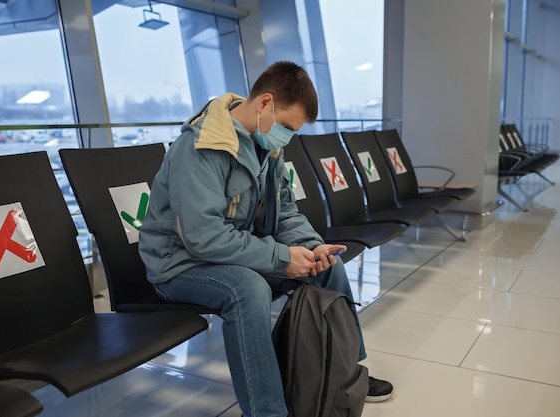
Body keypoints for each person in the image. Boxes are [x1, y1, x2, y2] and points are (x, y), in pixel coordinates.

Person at [139, 61, 393, 417]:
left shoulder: (267, 147)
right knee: (247, 288)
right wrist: (280, 258)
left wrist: (308, 246)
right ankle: (267, 411)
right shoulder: (200, 147)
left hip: (230, 251)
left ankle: (346, 374)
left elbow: (284, 210)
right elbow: (201, 236)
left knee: (326, 267)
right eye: (287, 127)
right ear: (265, 103)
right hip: (179, 264)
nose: (287, 137)